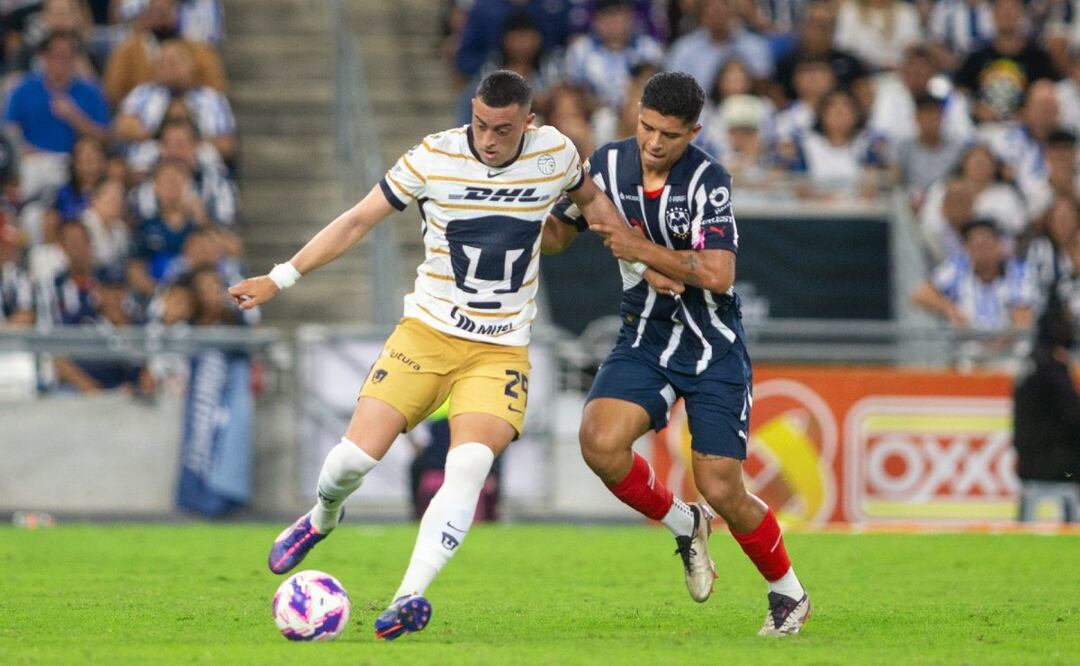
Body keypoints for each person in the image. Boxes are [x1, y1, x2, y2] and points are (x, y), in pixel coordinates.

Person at [227, 70, 628, 641]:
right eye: (481, 125)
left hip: (500, 350)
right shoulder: (433, 156)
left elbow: (595, 208)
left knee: (467, 467)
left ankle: (406, 597)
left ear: (528, 123)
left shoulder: (555, 154)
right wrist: (280, 277)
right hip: (426, 336)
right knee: (350, 463)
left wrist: (647, 262)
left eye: (503, 130)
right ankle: (321, 517)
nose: (489, 139)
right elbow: (358, 220)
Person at [541, 71, 811, 636]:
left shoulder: (709, 180)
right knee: (599, 442)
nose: (654, 142)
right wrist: (511, 205)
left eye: (669, 134)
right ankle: (684, 523)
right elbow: (559, 235)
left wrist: (638, 249)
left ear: (694, 132)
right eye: (646, 127)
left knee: (721, 486)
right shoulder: (606, 165)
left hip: (712, 346)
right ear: (636, 115)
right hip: (644, 336)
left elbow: (717, 273)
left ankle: (788, 591)